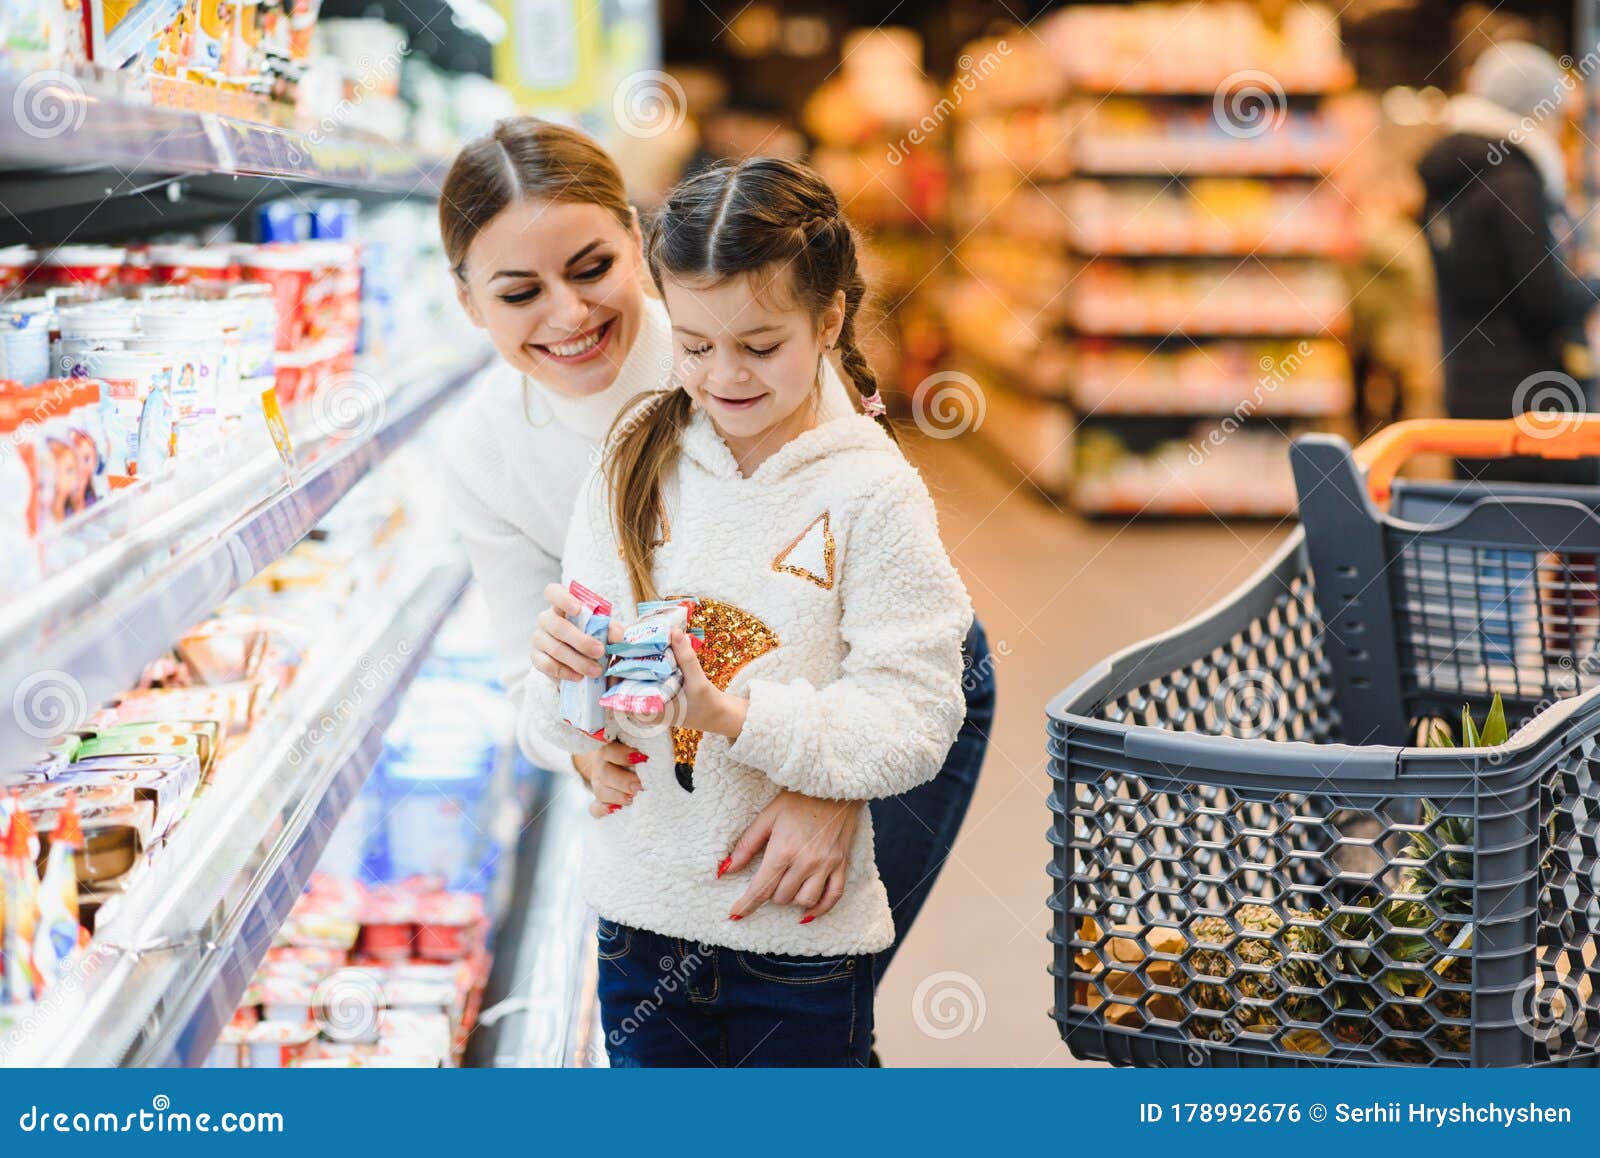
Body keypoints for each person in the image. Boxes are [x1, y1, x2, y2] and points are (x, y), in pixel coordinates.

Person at [438, 120, 994, 1015]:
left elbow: (884, 606)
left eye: (590, 268)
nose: (570, 316)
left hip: (874, 688)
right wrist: (584, 742)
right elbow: (530, 685)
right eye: (518, 292)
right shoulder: (481, 450)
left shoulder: (732, 325)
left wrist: (827, 790)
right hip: (709, 741)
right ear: (468, 303)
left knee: (813, 1004)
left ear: (635, 238)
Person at [1417, 42, 1600, 661]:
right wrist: (1593, 285)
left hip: (1470, 397)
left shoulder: (1448, 176)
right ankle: (1566, 664)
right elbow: (1543, 299)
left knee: (1491, 552)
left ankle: (1490, 699)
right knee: (1590, 514)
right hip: (1530, 405)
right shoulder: (1514, 178)